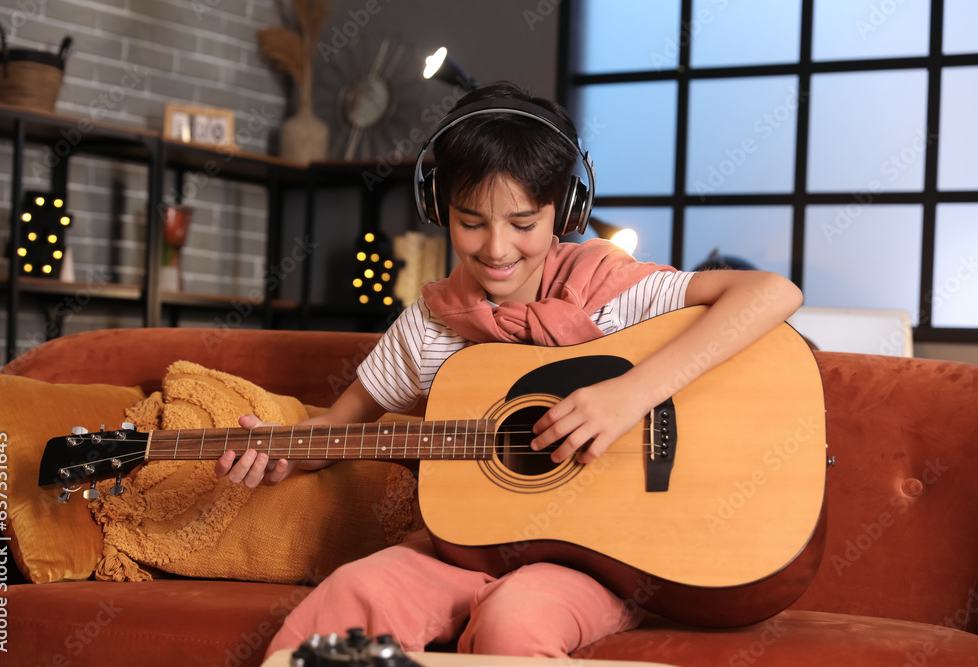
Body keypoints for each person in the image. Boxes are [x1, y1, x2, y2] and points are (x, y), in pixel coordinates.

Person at [215, 82, 804, 657]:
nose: (497, 249)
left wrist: (629, 395)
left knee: (512, 624)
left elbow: (772, 293)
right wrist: (285, 453)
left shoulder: (611, 294)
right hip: (465, 549)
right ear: (438, 207)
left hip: (598, 559)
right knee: (347, 597)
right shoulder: (429, 323)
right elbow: (341, 427)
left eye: (523, 224)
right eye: (472, 222)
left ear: (566, 210)